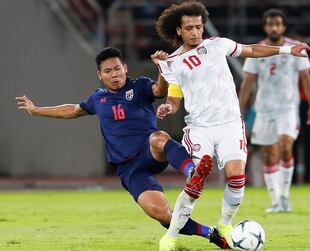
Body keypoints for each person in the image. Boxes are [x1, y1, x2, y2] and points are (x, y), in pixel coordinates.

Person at [15, 47, 229, 249]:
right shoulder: (98, 98)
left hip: (149, 150)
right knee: (160, 212)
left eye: (117, 68)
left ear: (125, 68)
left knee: (159, 137)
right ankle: (212, 234)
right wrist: (37, 110)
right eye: (108, 71)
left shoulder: (139, 86)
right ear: (100, 75)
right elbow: (73, 109)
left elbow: (160, 89)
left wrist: (162, 68)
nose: (114, 74)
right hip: (130, 169)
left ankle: (192, 172)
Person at [154, 2, 310, 250]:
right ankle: (170, 237)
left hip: (229, 124)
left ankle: (225, 224)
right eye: (189, 28)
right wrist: (168, 108)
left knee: (237, 177)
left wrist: (287, 50)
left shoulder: (218, 44)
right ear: (178, 31)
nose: (196, 32)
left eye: (198, 26)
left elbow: (251, 50)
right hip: (200, 127)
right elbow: (173, 98)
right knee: (196, 181)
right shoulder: (172, 62)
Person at [239, 9, 310, 213]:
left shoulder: (295, 48)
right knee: (270, 154)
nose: (274, 27)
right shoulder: (256, 50)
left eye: (278, 24)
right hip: (263, 110)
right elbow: (248, 82)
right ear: (265, 27)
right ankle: (275, 200)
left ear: (283, 26)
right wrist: (240, 109)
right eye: (270, 24)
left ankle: (285, 197)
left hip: (288, 107)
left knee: (285, 147)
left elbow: (306, 78)